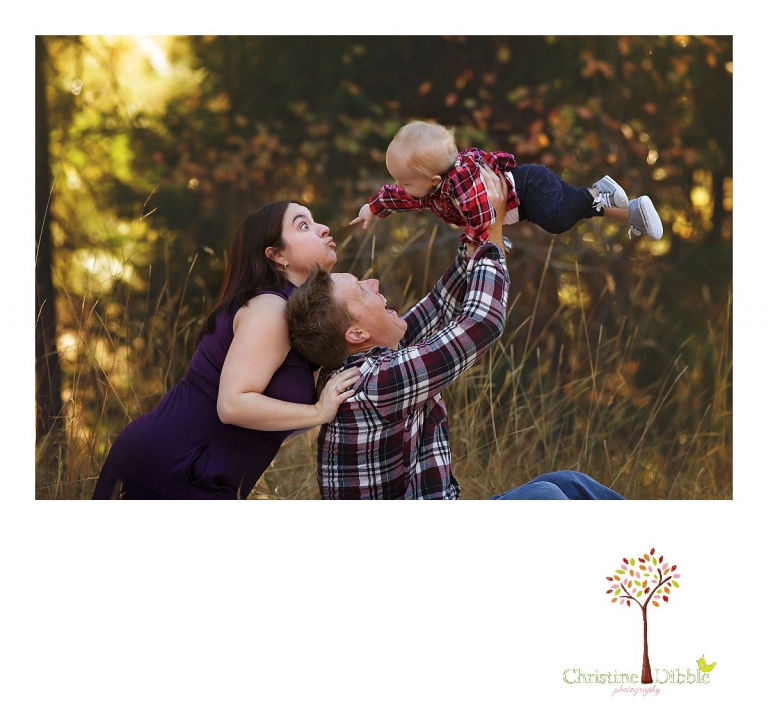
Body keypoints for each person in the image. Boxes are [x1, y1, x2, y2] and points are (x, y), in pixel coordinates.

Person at [288, 168, 625, 500]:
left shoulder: (366, 362)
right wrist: (493, 233)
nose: (374, 283)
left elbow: (440, 303)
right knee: (545, 498)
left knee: (569, 484)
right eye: (362, 290)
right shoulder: (373, 383)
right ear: (357, 332)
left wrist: (479, 225)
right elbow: (481, 324)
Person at [92, 201, 361, 500]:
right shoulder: (270, 309)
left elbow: (269, 421)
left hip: (194, 468)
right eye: (303, 225)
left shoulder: (289, 311)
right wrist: (318, 411)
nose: (323, 229)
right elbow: (232, 405)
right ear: (277, 255)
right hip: (174, 467)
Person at [350, 119, 662, 248]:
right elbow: (400, 197)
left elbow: (485, 220)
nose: (399, 186)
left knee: (557, 220)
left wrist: (481, 245)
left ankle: (597, 191)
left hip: (530, 187)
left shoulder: (461, 184)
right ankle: (632, 212)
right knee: (574, 209)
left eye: (403, 181)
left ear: (431, 179)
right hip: (526, 194)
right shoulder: (430, 189)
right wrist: (372, 208)